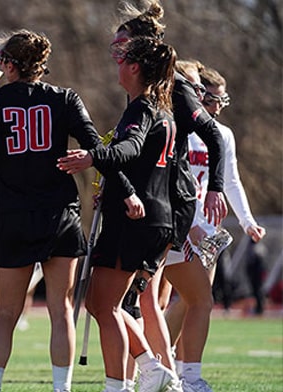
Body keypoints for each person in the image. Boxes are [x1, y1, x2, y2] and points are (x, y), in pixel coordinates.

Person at [0, 29, 104, 392]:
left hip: (15, 216)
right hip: (60, 213)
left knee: (7, 313)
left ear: (8, 64)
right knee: (60, 310)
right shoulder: (65, 98)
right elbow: (94, 144)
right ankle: (62, 389)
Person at [106, 1, 228, 385]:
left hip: (169, 201)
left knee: (141, 298)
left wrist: (217, 189)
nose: (117, 55)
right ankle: (160, 375)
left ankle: (165, 375)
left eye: (123, 46)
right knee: (147, 299)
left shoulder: (173, 87)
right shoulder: (139, 89)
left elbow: (214, 136)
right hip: (152, 196)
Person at [58, 35, 181, 392]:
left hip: (135, 222)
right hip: (154, 218)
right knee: (100, 302)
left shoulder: (142, 109)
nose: (117, 64)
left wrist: (93, 156)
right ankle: (151, 368)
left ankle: (119, 385)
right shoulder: (164, 113)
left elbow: (129, 149)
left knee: (106, 306)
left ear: (135, 67)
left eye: (122, 58)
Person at [159, 61, 266, 392]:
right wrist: (189, 222)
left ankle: (172, 368)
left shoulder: (222, 134)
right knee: (172, 300)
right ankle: (162, 366)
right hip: (179, 223)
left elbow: (230, 180)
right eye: (214, 98)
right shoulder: (180, 127)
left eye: (221, 99)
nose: (219, 105)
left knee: (195, 301)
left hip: (208, 227)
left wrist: (247, 221)